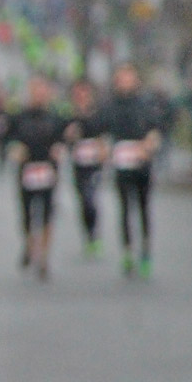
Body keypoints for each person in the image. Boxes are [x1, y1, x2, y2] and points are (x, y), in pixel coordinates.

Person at [101, 63, 161, 278]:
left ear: (136, 80)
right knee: (125, 208)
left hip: (142, 164)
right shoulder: (110, 106)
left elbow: (155, 131)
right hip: (121, 164)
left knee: (144, 208)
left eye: (129, 76)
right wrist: (104, 148)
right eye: (121, 77)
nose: (125, 81)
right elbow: (101, 131)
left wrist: (149, 145)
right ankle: (127, 251)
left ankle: (145, 251)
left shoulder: (145, 104)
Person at [4, 76, 67, 280]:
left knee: (47, 212)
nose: (39, 95)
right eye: (35, 90)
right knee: (27, 214)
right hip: (27, 170)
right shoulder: (19, 117)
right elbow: (7, 138)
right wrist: (14, 149)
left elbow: (64, 139)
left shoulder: (56, 118)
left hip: (47, 169)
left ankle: (44, 257)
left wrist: (60, 149)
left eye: (43, 91)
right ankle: (30, 244)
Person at [63, 79, 108, 256]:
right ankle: (88, 235)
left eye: (84, 93)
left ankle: (94, 233)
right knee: (83, 200)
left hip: (94, 164)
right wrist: (69, 137)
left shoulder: (97, 115)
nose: (81, 97)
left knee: (91, 198)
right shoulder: (70, 117)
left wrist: (103, 149)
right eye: (78, 94)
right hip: (78, 165)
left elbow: (103, 135)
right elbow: (64, 141)